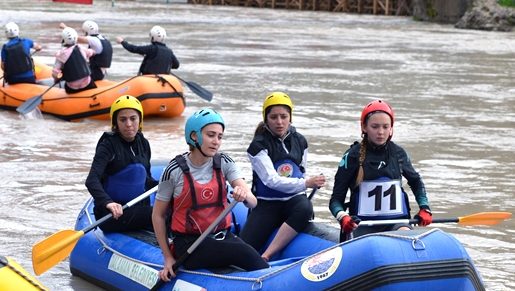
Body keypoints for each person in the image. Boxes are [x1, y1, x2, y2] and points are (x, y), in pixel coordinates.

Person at [153, 108, 269, 281]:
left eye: (220, 137)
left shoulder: (224, 162)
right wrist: (168, 257)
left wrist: (243, 194)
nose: (216, 142)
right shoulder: (174, 170)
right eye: (211, 135)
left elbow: (253, 202)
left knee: (256, 260)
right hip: (189, 244)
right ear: (194, 136)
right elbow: (158, 215)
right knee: (244, 253)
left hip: (222, 236)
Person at [239, 92, 326, 261]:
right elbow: (271, 181)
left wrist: (309, 184)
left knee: (305, 206)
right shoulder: (258, 145)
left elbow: (302, 170)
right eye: (274, 117)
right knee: (241, 253)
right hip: (266, 204)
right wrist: (306, 183)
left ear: (290, 117)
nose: (279, 122)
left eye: (284, 116)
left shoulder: (300, 141)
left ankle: (267, 255)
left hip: (292, 201)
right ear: (266, 118)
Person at [329, 100, 432, 240]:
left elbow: (416, 181)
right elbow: (335, 200)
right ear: (364, 127)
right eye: (375, 126)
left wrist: (424, 208)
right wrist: (343, 217)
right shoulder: (352, 156)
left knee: (405, 234)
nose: (381, 132)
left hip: (395, 224)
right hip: (362, 226)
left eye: (385, 126)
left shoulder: (398, 153)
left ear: (391, 128)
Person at [85, 95, 158, 233]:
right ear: (115, 122)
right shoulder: (108, 145)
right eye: (123, 119)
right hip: (112, 215)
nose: (129, 124)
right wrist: (108, 203)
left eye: (133, 118)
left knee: (168, 212)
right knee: (157, 215)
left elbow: (146, 180)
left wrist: (168, 187)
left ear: (140, 120)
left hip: (137, 209)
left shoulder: (143, 144)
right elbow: (92, 180)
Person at [52, 27, 97, 94]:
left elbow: (55, 72)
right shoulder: (81, 48)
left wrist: (56, 80)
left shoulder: (60, 54)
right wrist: (94, 52)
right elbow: (91, 52)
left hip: (72, 87)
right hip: (87, 84)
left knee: (66, 86)